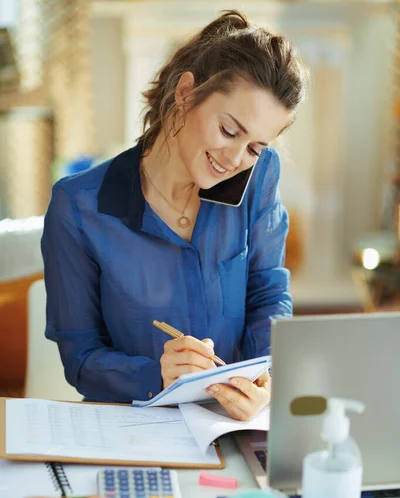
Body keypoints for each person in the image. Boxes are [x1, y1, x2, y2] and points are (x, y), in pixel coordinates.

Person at [41, 10, 307, 420]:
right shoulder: (79, 207)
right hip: (133, 427)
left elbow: (268, 295)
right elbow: (80, 358)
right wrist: (156, 374)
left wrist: (265, 377)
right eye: (229, 131)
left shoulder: (259, 176)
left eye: (255, 147)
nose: (237, 159)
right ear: (186, 93)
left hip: (230, 427)